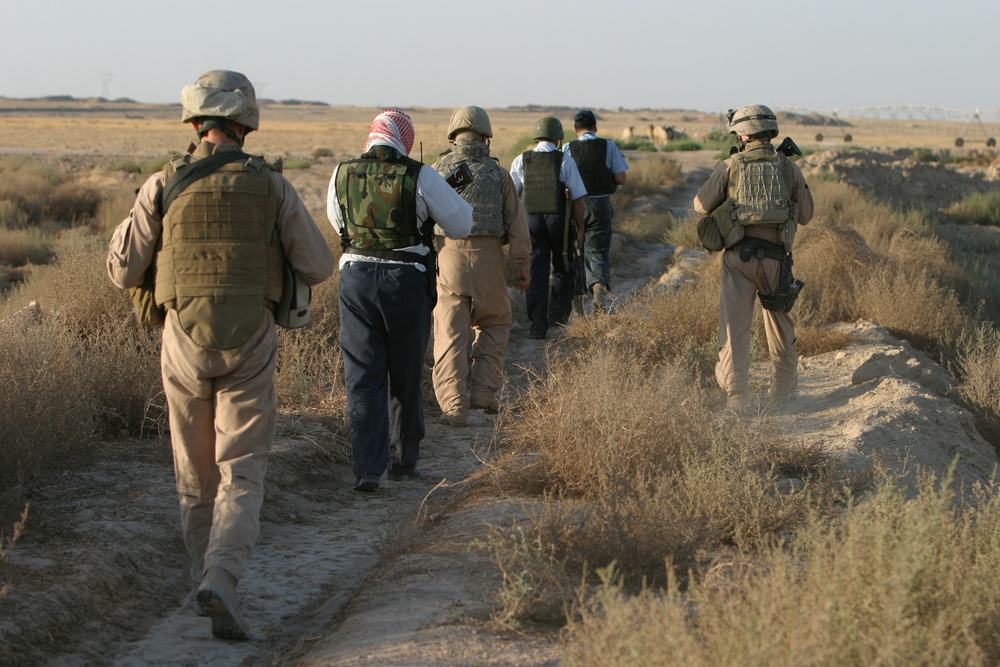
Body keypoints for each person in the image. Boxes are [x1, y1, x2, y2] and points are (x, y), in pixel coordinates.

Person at [106, 70, 335, 641]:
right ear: (246, 121)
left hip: (182, 339)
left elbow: (121, 270)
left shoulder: (163, 183)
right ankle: (222, 578)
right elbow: (318, 265)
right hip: (252, 337)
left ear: (194, 121)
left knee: (194, 471)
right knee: (242, 469)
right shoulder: (273, 185)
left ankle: (201, 579)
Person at [327, 109, 472, 491]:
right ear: (403, 138)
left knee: (362, 376)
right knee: (404, 375)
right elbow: (462, 224)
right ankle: (403, 461)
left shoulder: (341, 173)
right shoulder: (419, 174)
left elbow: (338, 223)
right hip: (404, 281)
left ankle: (367, 469)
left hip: (355, 280)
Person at [692, 104, 814, 409]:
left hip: (739, 260)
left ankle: (738, 396)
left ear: (743, 133)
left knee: (735, 328)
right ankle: (784, 395)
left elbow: (700, 206)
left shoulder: (730, 165)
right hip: (776, 260)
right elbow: (807, 215)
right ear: (769, 131)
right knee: (780, 326)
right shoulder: (789, 168)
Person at [430, 106, 531, 426]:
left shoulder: (434, 171)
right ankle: (484, 396)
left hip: (448, 258)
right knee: (495, 322)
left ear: (453, 136)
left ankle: (453, 406)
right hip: (489, 259)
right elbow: (517, 224)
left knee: (449, 333)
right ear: (486, 137)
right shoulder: (499, 174)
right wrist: (522, 264)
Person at [509, 116, 587, 339]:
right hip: (558, 222)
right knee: (564, 266)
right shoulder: (564, 160)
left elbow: (513, 197)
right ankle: (558, 318)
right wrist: (580, 229)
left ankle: (537, 325)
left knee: (536, 269)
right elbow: (578, 199)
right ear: (558, 138)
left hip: (530, 221)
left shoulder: (521, 160)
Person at [563, 109, 629, 311]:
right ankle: (599, 288)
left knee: (576, 250)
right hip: (600, 205)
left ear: (575, 129)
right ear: (595, 127)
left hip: (575, 206)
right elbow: (621, 178)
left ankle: (577, 299)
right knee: (598, 251)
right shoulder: (608, 145)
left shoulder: (568, 148)